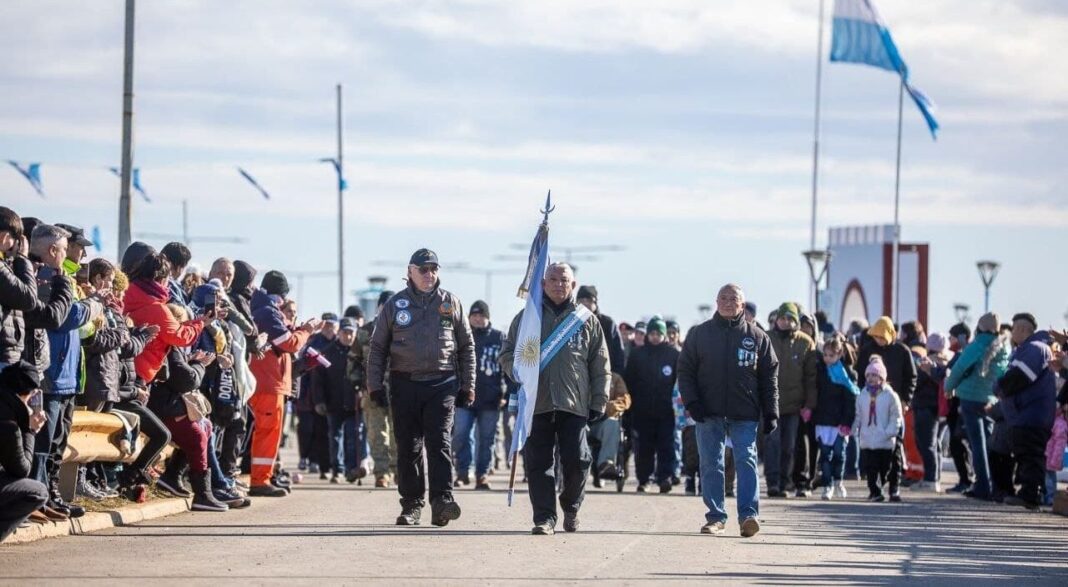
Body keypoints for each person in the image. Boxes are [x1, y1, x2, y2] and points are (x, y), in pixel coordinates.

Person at [499, 262, 610, 535]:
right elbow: (506, 353)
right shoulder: (527, 319)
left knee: (578, 460)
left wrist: (599, 401)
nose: (559, 284)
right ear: (543, 284)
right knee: (538, 464)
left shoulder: (587, 321)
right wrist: (518, 371)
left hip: (574, 404)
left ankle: (571, 506)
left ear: (573, 285)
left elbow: (600, 364)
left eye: (564, 280)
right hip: (537, 402)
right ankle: (545, 517)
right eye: (553, 279)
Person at [368, 249, 475, 527]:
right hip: (404, 383)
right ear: (410, 272)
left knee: (439, 443)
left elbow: (466, 346)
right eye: (423, 269)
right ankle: (412, 505)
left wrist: (468, 385)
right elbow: (378, 348)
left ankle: (442, 502)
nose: (429, 274)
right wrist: (374, 386)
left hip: (442, 383)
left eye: (434, 269)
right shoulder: (395, 305)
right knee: (409, 447)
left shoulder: (451, 303)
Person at [677, 284, 778, 538]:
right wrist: (692, 403)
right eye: (723, 298)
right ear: (716, 302)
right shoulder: (700, 334)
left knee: (746, 460)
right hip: (707, 412)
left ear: (742, 305)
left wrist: (772, 411)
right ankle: (715, 517)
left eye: (734, 298)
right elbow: (685, 371)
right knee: (712, 463)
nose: (728, 302)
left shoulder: (757, 337)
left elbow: (769, 377)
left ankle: (748, 516)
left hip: (745, 412)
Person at [30, 223, 103, 519]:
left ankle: (48, 496)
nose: (78, 255)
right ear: (53, 250)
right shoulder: (43, 277)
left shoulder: (64, 277)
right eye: (66, 249)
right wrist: (93, 305)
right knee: (43, 445)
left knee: (56, 443)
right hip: (50, 374)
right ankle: (34, 498)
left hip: (66, 374)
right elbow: (65, 318)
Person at [148, 305, 229, 512]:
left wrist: (193, 362)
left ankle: (172, 476)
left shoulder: (175, 347)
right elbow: (186, 380)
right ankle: (203, 494)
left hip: (168, 403)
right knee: (195, 435)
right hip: (161, 406)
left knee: (205, 427)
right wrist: (200, 365)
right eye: (183, 324)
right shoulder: (168, 344)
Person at [248, 271, 320, 497]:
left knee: (265, 433)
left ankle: (262, 477)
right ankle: (260, 480)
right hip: (268, 383)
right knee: (267, 433)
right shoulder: (268, 312)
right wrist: (305, 331)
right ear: (281, 294)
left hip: (268, 381)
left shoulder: (262, 309)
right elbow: (288, 343)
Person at [944, 312, 1010, 501]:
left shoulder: (978, 344)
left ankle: (982, 486)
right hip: (991, 399)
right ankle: (995, 485)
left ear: (980, 327)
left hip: (971, 398)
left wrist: (949, 387)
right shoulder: (1004, 346)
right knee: (990, 443)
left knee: (978, 444)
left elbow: (960, 367)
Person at [997, 313, 1058, 510]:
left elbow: (1018, 378)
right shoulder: (1032, 348)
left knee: (1031, 454)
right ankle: (1028, 492)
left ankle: (1031, 495)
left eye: (1014, 328)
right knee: (1026, 454)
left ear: (1023, 329)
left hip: (1031, 415)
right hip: (1027, 414)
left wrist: (999, 388)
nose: (1011, 332)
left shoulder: (1034, 349)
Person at [855, 317, 917, 502]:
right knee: (872, 453)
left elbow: (911, 377)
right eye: (876, 336)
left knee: (895, 449)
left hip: (893, 404)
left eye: (882, 336)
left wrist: (906, 399)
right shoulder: (867, 350)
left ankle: (894, 487)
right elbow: (859, 377)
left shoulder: (902, 351)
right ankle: (875, 487)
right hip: (872, 406)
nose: (879, 340)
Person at [765, 302, 817, 498]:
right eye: (782, 318)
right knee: (772, 444)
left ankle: (786, 484)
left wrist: (809, 405)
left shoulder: (805, 343)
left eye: (790, 319)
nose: (786, 322)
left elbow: (811, 378)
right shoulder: (767, 339)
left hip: (795, 406)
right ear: (777, 319)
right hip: (771, 404)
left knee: (789, 446)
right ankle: (773, 483)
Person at [452, 300, 506, 490]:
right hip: (463, 397)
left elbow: (506, 368)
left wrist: (505, 392)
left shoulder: (499, 338)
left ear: (487, 317)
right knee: (460, 435)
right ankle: (462, 472)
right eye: (474, 315)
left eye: (481, 315)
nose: (477, 318)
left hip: (491, 398)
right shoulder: (461, 337)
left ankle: (482, 474)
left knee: (487, 438)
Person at [624, 316, 680, 493]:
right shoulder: (637, 354)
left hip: (667, 411)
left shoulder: (674, 355)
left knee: (666, 445)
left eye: (659, 333)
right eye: (652, 333)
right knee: (644, 447)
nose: (655, 336)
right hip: (642, 410)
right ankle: (644, 479)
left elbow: (679, 383)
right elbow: (629, 381)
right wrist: (629, 409)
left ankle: (665, 478)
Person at [349, 290, 397, 488]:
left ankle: (399, 471)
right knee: (377, 434)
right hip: (373, 391)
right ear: (379, 307)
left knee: (399, 435)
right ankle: (381, 472)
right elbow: (353, 360)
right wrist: (357, 384)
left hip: (399, 392)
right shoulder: (365, 331)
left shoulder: (404, 330)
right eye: (385, 305)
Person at [0, 362, 51, 542]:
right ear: (25, 395)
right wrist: (30, 429)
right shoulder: (8, 421)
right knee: (38, 491)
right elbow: (21, 469)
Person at [312, 317, 360, 484]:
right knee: (335, 437)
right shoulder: (327, 352)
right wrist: (319, 401)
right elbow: (318, 380)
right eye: (345, 332)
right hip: (333, 403)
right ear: (339, 333)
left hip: (355, 403)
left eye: (351, 333)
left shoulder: (359, 353)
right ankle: (337, 470)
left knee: (354, 437)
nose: (348, 336)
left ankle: (352, 469)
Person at [813, 336, 858, 500]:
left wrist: (847, 421)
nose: (827, 358)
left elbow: (851, 399)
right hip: (823, 420)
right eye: (825, 355)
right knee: (825, 455)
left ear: (839, 354)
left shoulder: (848, 374)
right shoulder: (820, 371)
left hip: (840, 422)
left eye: (831, 355)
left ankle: (838, 480)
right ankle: (827, 485)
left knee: (840, 454)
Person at [855, 358, 903, 502]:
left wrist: (890, 431)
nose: (871, 379)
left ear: (882, 378)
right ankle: (875, 491)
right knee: (871, 467)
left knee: (885, 467)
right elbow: (858, 415)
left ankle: (889, 487)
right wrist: (853, 428)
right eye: (868, 376)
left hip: (885, 439)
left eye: (874, 375)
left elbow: (896, 415)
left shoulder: (890, 396)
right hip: (867, 438)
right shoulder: (862, 395)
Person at [912, 332, 950, 492]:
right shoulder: (946, 363)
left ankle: (931, 479)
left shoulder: (926, 363)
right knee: (935, 445)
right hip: (939, 408)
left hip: (925, 407)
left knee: (926, 444)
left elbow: (916, 383)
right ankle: (934, 478)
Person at [576, 285, 626, 375]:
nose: (585, 304)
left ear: (595, 303)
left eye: (588, 300)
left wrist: (615, 375)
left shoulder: (607, 323)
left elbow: (618, 354)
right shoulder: (570, 323)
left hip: (603, 375)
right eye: (581, 301)